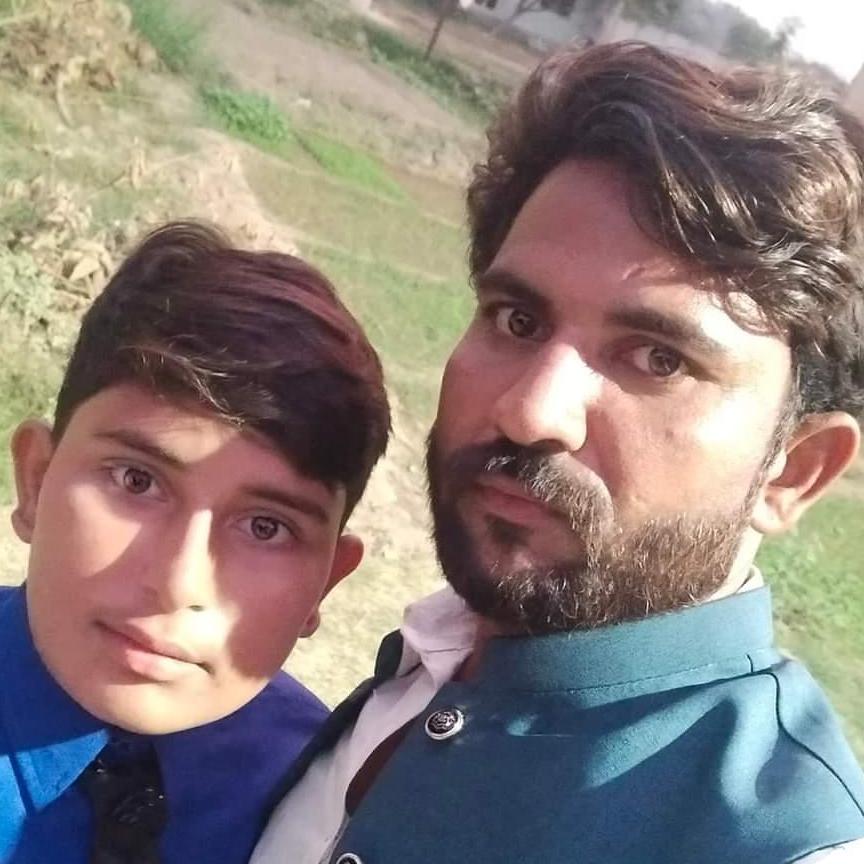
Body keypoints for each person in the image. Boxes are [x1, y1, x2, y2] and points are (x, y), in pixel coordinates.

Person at [252, 42, 864, 864]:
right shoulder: (438, 655)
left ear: (794, 471)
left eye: (658, 359)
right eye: (518, 320)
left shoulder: (779, 846)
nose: (531, 410)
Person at [0, 222, 390, 863]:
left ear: (326, 583)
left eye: (265, 527)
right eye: (137, 481)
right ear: (37, 481)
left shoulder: (324, 795)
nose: (178, 582)